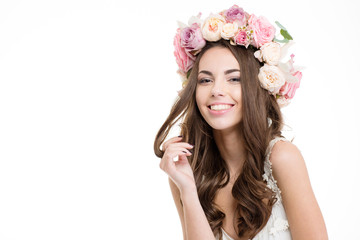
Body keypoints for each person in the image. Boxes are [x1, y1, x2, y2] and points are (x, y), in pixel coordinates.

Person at [154, 5, 328, 240]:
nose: (216, 90)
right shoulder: (186, 172)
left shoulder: (282, 157)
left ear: (257, 87)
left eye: (234, 78)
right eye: (205, 80)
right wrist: (187, 189)